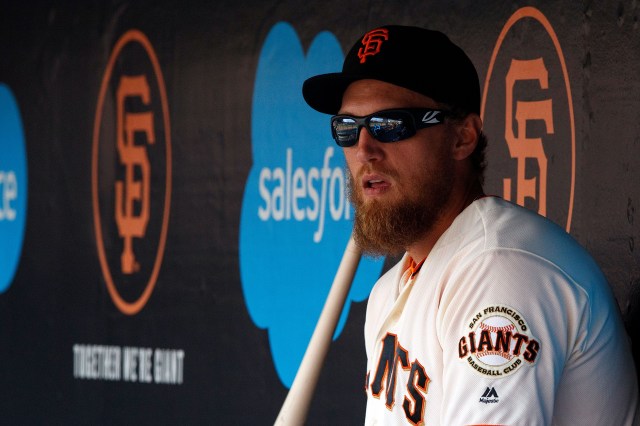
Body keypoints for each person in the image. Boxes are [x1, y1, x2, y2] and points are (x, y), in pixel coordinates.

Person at [302, 25, 639, 425]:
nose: (364, 149)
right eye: (347, 128)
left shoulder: (500, 267)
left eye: (389, 125)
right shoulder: (389, 291)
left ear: (462, 138)